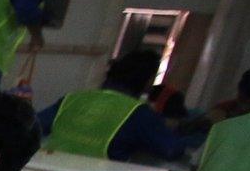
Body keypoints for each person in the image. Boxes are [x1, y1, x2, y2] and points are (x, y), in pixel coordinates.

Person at [37, 50, 196, 161]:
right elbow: (170, 149)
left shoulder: (72, 99)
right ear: (148, 82)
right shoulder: (138, 113)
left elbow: (32, 126)